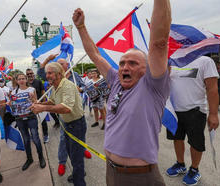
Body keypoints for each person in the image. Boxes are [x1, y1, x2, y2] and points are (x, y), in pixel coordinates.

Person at [72, 0, 171, 185]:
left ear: (147, 70)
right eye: (122, 63)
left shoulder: (152, 87)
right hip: (111, 171)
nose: (125, 67)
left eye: (133, 63)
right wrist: (81, 27)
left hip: (141, 177)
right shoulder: (117, 82)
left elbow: (159, 43)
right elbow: (95, 54)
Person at [165, 55, 219, 185]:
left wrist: (213, 114)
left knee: (196, 143)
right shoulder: (171, 60)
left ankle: (194, 169)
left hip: (195, 110)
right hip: (174, 110)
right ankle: (180, 164)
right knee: (177, 138)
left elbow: (212, 89)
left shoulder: (205, 61)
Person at [30, 62, 86, 186]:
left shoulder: (67, 86)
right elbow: (52, 101)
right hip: (67, 124)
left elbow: (66, 108)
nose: (47, 75)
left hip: (76, 125)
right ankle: (78, 174)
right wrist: (39, 104)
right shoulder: (55, 86)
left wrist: (42, 109)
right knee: (71, 154)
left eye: (50, 73)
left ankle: (79, 181)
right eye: (46, 73)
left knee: (76, 159)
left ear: (59, 74)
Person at [9, 73, 46, 171]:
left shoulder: (31, 90)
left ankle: (41, 157)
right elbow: (12, 105)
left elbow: (36, 103)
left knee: (35, 138)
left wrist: (33, 98)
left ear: (26, 80)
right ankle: (29, 159)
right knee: (25, 139)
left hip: (31, 117)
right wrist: (10, 103)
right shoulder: (13, 92)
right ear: (16, 81)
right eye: (19, 79)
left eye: (23, 78)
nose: (21, 80)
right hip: (20, 119)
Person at [26, 68, 49, 143]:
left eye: (31, 73)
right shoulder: (26, 83)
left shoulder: (38, 82)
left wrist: (44, 103)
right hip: (30, 107)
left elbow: (43, 92)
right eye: (28, 74)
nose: (30, 75)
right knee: (31, 122)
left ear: (33, 74)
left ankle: (46, 135)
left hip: (40, 104)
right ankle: (33, 136)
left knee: (43, 121)